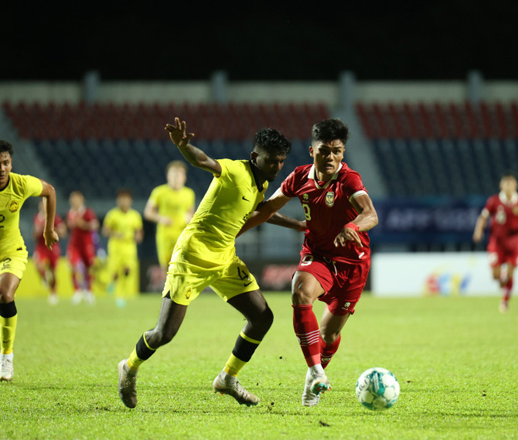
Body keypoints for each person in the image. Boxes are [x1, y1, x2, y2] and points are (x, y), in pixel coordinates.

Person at [117, 117, 297, 409]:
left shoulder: (259, 184)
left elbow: (262, 212)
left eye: (281, 161)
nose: (277, 167)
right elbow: (204, 161)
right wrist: (183, 146)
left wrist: (298, 225)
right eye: (272, 161)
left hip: (224, 259)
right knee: (164, 334)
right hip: (193, 256)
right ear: (255, 157)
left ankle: (227, 378)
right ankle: (129, 366)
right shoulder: (235, 170)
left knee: (262, 317)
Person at [238, 118, 379, 407]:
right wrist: (232, 232)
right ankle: (316, 370)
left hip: (353, 264)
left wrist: (353, 226)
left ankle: (313, 376)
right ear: (311, 150)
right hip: (318, 257)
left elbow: (371, 215)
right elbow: (267, 210)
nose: (331, 157)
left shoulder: (349, 179)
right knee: (300, 291)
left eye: (337, 151)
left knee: (330, 334)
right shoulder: (299, 177)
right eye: (324, 151)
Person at [0, 140, 59, 381]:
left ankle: (6, 357)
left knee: (5, 294)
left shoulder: (21, 184)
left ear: (11, 164)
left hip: (12, 252)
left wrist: (48, 229)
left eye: (6, 163)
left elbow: (50, 191)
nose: (2, 168)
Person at [473, 171, 518, 312]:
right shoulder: (494, 201)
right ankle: (502, 279)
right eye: (506, 184)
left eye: (511, 183)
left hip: (514, 240)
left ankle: (504, 302)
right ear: (501, 185)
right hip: (496, 241)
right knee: (496, 275)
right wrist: (478, 231)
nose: (508, 186)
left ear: (516, 185)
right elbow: (483, 217)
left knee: (510, 271)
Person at [143, 160, 195, 278]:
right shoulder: (159, 192)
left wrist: (189, 219)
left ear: (184, 177)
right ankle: (169, 293)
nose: (176, 177)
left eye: (179, 174)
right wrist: (160, 218)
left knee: (182, 263)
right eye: (174, 174)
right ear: (168, 176)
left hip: (182, 233)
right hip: (165, 234)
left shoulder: (189, 193)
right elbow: (148, 212)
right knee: (166, 267)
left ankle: (182, 292)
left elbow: (191, 214)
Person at [102, 189, 144, 307]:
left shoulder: (135, 215)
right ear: (118, 201)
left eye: (126, 199)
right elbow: (105, 230)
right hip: (115, 247)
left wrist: (138, 237)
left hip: (129, 247)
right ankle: (113, 284)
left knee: (127, 270)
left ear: (130, 201)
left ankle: (120, 295)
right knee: (116, 273)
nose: (124, 202)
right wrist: (115, 234)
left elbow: (139, 231)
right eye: (121, 199)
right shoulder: (112, 214)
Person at [66, 190, 99, 305]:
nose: (74, 201)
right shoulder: (70, 213)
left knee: (89, 267)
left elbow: (95, 225)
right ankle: (77, 291)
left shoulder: (87, 212)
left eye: (76, 199)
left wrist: (83, 224)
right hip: (74, 244)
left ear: (81, 200)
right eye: (72, 199)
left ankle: (89, 291)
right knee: (73, 266)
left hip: (86, 244)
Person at [33, 199, 67, 305]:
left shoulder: (54, 218)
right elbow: (34, 235)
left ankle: (53, 292)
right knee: (38, 265)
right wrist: (37, 232)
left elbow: (63, 232)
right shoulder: (37, 218)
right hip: (41, 247)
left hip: (52, 246)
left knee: (52, 272)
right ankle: (44, 277)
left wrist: (51, 229)